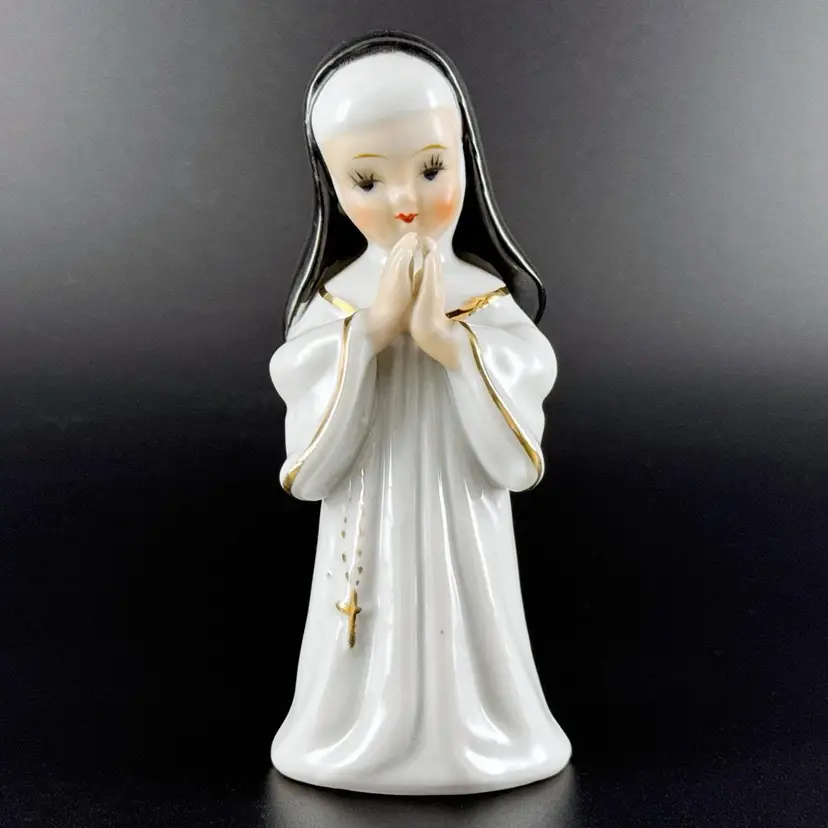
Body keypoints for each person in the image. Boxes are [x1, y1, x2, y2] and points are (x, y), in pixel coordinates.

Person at [269, 31, 571, 795]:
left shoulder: (484, 300)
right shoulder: (334, 306)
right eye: (368, 180)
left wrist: (446, 342)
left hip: (461, 518)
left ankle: (482, 730)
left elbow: (516, 445)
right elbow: (307, 451)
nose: (405, 202)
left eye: (432, 169)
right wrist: (371, 332)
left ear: (466, 161)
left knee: (468, 621)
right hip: (368, 519)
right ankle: (350, 731)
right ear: (332, 186)